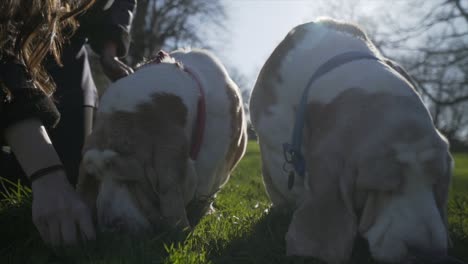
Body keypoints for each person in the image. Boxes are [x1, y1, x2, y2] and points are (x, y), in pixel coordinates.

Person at [0, 0, 135, 247]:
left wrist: (109, 48)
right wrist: (46, 173)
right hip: (13, 33)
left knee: (74, 170)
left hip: (67, 40)